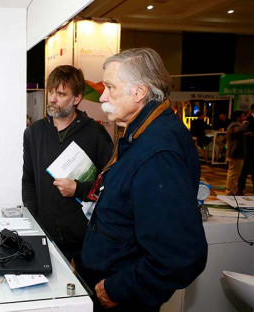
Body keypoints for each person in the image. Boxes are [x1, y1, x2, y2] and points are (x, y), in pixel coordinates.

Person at [81, 48, 207, 312]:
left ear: (138, 92)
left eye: (110, 87)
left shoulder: (158, 153)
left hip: (123, 297)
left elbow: (179, 256)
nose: (103, 96)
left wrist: (118, 288)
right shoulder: (143, 133)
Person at [22, 65, 113, 279]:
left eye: (61, 94)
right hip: (47, 235)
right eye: (51, 92)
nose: (53, 99)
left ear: (77, 98)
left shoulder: (95, 133)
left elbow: (112, 183)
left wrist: (78, 189)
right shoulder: (33, 133)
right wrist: (34, 224)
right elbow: (29, 181)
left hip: (87, 237)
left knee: (92, 296)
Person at [226, 110, 249, 195]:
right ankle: (230, 190)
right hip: (235, 153)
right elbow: (238, 130)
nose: (244, 118)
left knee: (235, 173)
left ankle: (232, 189)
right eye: (243, 116)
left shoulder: (234, 125)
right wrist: (245, 123)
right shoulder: (234, 125)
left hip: (236, 153)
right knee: (233, 173)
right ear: (237, 117)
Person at [237, 104, 254, 195]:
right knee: (244, 170)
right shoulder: (247, 121)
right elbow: (241, 133)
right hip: (247, 148)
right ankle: (240, 188)